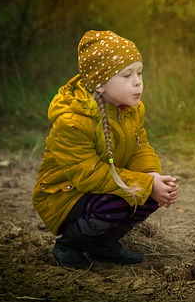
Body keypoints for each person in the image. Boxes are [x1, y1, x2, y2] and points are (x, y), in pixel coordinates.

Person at [33, 30, 178, 269]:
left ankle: (103, 243)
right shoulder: (73, 122)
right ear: (99, 84)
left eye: (140, 73)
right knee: (125, 199)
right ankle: (68, 243)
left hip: (102, 187)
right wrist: (144, 185)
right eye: (126, 75)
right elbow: (88, 176)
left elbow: (140, 146)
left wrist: (152, 176)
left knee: (150, 196)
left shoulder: (130, 109)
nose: (137, 82)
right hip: (66, 196)